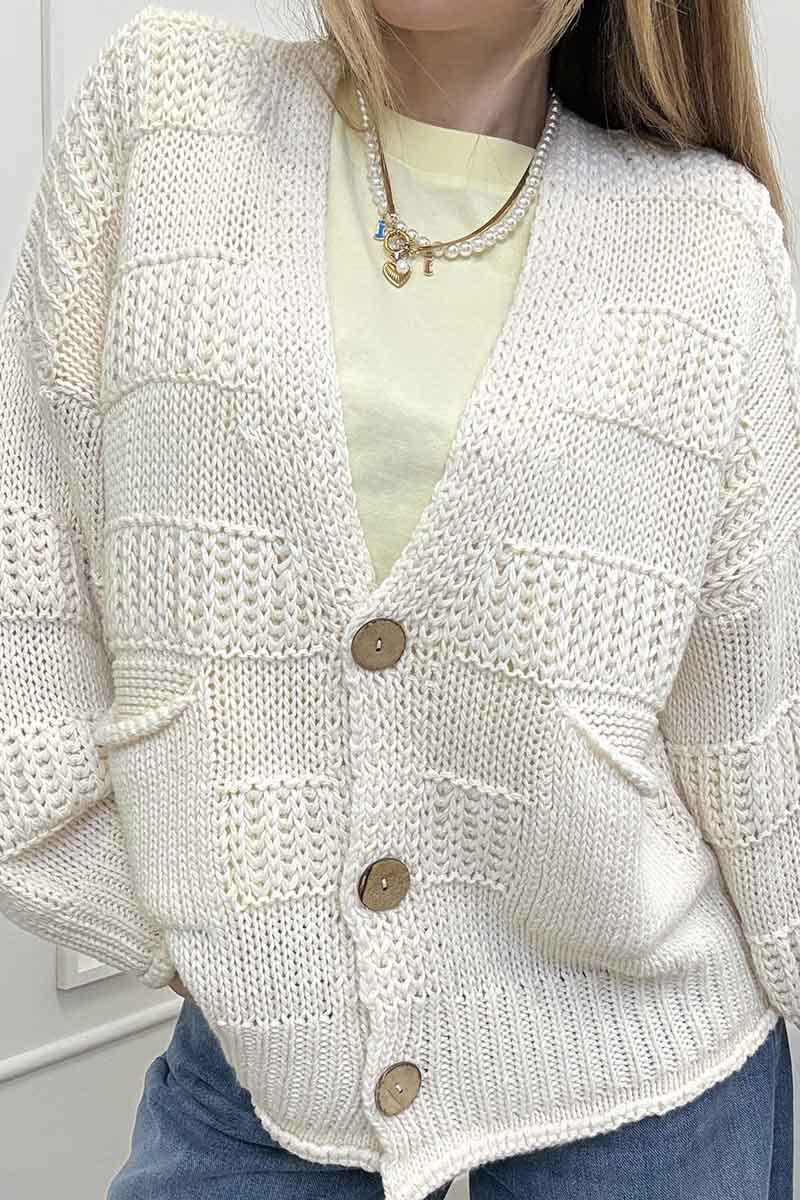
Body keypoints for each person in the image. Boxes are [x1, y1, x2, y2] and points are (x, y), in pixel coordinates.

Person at [0, 2, 796, 1198]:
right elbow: (29, 579)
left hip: (648, 1097)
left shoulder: (703, 237)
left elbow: (760, 733)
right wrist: (222, 948)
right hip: (254, 1094)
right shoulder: (164, 116)